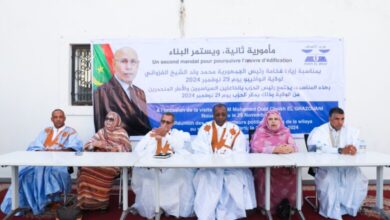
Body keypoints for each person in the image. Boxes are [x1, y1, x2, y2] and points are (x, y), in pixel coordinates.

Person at [0, 109, 83, 215]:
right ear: (51, 119)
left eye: (60, 117)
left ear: (64, 118)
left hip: (60, 163)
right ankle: (28, 203)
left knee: (52, 175)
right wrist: (43, 151)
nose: (58, 119)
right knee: (25, 176)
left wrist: (55, 151)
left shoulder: (71, 132)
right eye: (55, 117)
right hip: (41, 161)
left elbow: (75, 148)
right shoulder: (46, 131)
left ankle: (48, 201)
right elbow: (35, 145)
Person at [192, 103, 256, 220]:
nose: (220, 117)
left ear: (227, 114)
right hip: (210, 168)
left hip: (230, 167)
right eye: (217, 114)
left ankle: (231, 215)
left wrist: (227, 155)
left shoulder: (234, 129)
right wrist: (213, 157)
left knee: (235, 180)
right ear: (213, 115)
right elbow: (199, 149)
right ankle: (207, 214)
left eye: (223, 114)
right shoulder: (205, 128)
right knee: (205, 180)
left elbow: (241, 150)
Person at [131, 112, 195, 219]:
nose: (165, 124)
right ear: (160, 121)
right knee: (149, 180)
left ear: (173, 123)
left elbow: (180, 147)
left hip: (173, 169)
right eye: (163, 121)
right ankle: (156, 208)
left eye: (168, 122)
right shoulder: (151, 133)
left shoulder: (178, 134)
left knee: (181, 179)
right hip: (153, 168)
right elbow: (138, 150)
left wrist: (165, 136)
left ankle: (173, 209)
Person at [307, 107, 368, 219]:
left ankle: (349, 207)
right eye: (337, 119)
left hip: (345, 166)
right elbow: (315, 148)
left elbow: (360, 144)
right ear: (330, 118)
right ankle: (331, 211)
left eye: (342, 119)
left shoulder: (351, 131)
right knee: (330, 180)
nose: (340, 122)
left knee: (357, 178)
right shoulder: (319, 131)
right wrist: (339, 150)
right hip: (326, 167)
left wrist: (354, 148)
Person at [77, 111, 131, 210]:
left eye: (111, 119)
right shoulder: (101, 132)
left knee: (103, 172)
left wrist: (113, 148)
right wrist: (95, 144)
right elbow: (87, 146)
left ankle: (102, 203)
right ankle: (86, 202)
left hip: (114, 164)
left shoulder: (122, 133)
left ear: (117, 121)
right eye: (106, 119)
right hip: (98, 161)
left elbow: (127, 149)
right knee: (84, 170)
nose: (108, 121)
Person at [93, 47, 151, 136]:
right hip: (115, 144)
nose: (129, 67)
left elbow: (145, 125)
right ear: (113, 64)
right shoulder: (102, 92)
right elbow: (100, 126)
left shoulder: (140, 92)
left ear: (138, 65)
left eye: (133, 62)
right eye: (124, 61)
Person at [250, 109, 297, 216]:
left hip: (283, 166)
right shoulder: (260, 132)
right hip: (265, 167)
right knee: (262, 174)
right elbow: (255, 148)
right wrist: (274, 149)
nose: (273, 121)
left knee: (294, 174)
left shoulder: (286, 132)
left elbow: (294, 147)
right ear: (266, 122)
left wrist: (289, 148)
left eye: (276, 119)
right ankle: (266, 206)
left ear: (280, 121)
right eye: (270, 119)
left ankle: (289, 204)